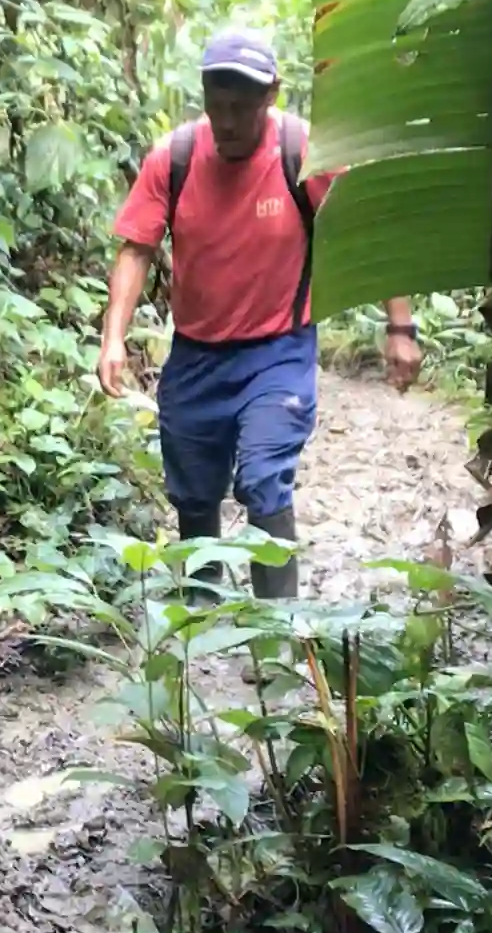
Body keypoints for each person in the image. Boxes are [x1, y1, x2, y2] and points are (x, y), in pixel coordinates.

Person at [97, 29, 421, 601]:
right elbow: (136, 248)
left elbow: (367, 234)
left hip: (278, 351)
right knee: (194, 492)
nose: (225, 121)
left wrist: (400, 327)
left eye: (240, 108)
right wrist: (113, 338)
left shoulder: (304, 154)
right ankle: (201, 611)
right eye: (215, 105)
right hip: (195, 354)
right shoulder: (173, 158)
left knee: (262, 479)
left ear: (270, 95)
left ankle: (279, 630)